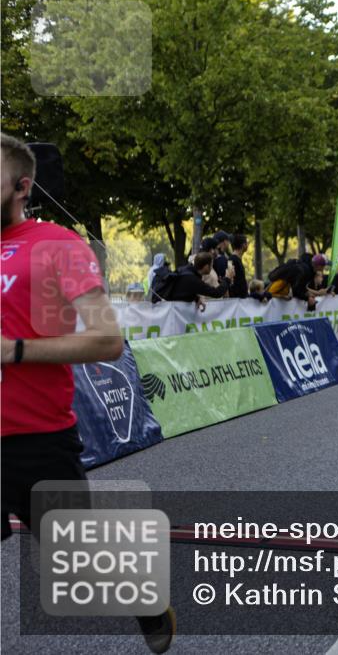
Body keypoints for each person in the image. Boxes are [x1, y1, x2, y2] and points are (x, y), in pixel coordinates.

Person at [0, 133, 175, 652]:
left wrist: (16, 351)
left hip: (36, 439)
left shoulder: (55, 245)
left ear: (21, 186)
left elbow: (107, 340)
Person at [159, 252, 231, 308]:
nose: (212, 268)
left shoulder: (186, 270)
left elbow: (183, 290)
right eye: (211, 265)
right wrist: (227, 279)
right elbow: (216, 293)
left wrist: (196, 298)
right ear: (206, 266)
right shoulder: (193, 280)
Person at [228, 234, 249, 298]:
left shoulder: (237, 259)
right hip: (237, 300)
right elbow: (231, 281)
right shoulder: (232, 260)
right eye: (246, 243)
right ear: (243, 245)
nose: (247, 245)